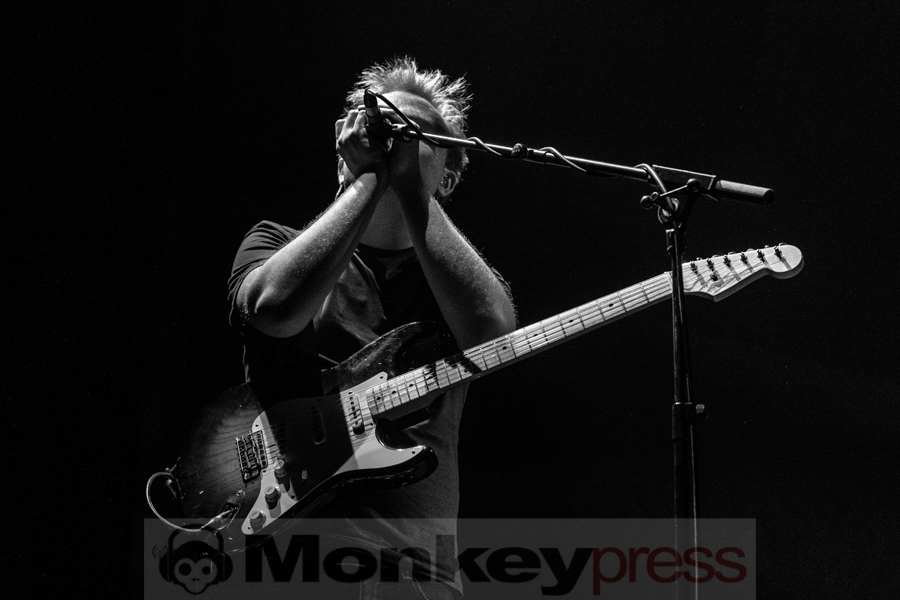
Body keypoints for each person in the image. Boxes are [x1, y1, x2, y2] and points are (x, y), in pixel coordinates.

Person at [227, 57, 517, 599]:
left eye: (414, 136)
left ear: (449, 175)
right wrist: (365, 182)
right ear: (345, 143)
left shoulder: (454, 279)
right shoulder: (273, 240)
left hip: (417, 571)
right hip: (286, 560)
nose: (394, 144)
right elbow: (274, 309)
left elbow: (493, 338)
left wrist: (411, 190)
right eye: (382, 127)